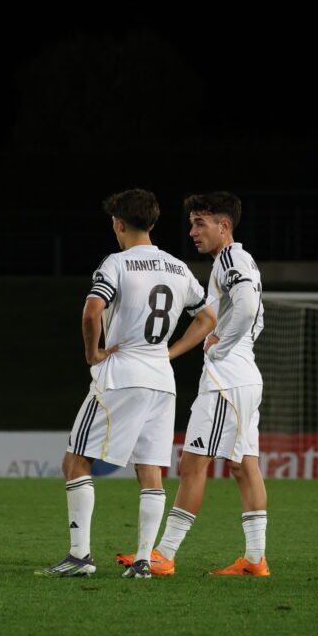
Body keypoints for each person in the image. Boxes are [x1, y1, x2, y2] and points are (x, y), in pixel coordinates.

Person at [37, 189, 215, 579]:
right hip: (160, 380)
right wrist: (170, 352)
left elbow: (91, 311)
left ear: (118, 223)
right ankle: (142, 562)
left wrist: (93, 352)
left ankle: (80, 556)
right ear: (151, 224)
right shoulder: (177, 267)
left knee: (76, 460)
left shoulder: (116, 263)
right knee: (150, 470)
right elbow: (207, 319)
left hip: (120, 375)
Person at [118, 191, 268, 576]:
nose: (192, 231)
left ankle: (164, 554)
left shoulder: (232, 256)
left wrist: (221, 342)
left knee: (192, 464)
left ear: (224, 225)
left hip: (226, 379)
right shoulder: (230, 261)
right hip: (246, 378)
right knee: (244, 465)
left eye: (200, 223)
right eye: (191, 223)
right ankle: (255, 559)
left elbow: (248, 305)